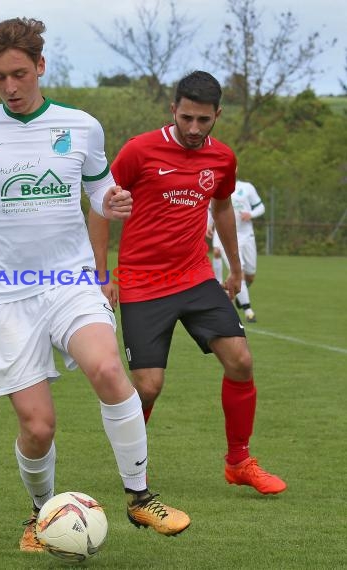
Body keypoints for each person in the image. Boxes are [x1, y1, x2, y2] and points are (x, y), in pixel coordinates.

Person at [0, 17, 190, 553]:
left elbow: (101, 189)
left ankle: (139, 496)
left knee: (107, 367)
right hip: (7, 295)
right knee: (38, 428)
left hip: (70, 280)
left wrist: (113, 203)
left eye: (18, 74)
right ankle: (41, 515)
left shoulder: (81, 125)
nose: (10, 87)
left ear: (40, 66)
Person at [88, 71, 286, 495]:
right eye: (187, 118)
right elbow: (100, 205)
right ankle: (132, 467)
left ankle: (238, 461)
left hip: (196, 277)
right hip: (142, 281)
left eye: (204, 120)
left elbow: (224, 207)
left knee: (241, 361)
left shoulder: (222, 159)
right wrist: (103, 274)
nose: (194, 129)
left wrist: (233, 268)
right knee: (147, 386)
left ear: (217, 115)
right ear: (173, 110)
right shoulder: (139, 150)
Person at [207, 179, 265, 323]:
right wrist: (208, 224)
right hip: (227, 236)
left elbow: (261, 207)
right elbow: (210, 208)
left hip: (247, 236)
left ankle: (241, 292)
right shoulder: (216, 186)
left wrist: (251, 214)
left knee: (250, 275)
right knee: (240, 270)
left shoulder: (247, 187)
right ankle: (248, 311)